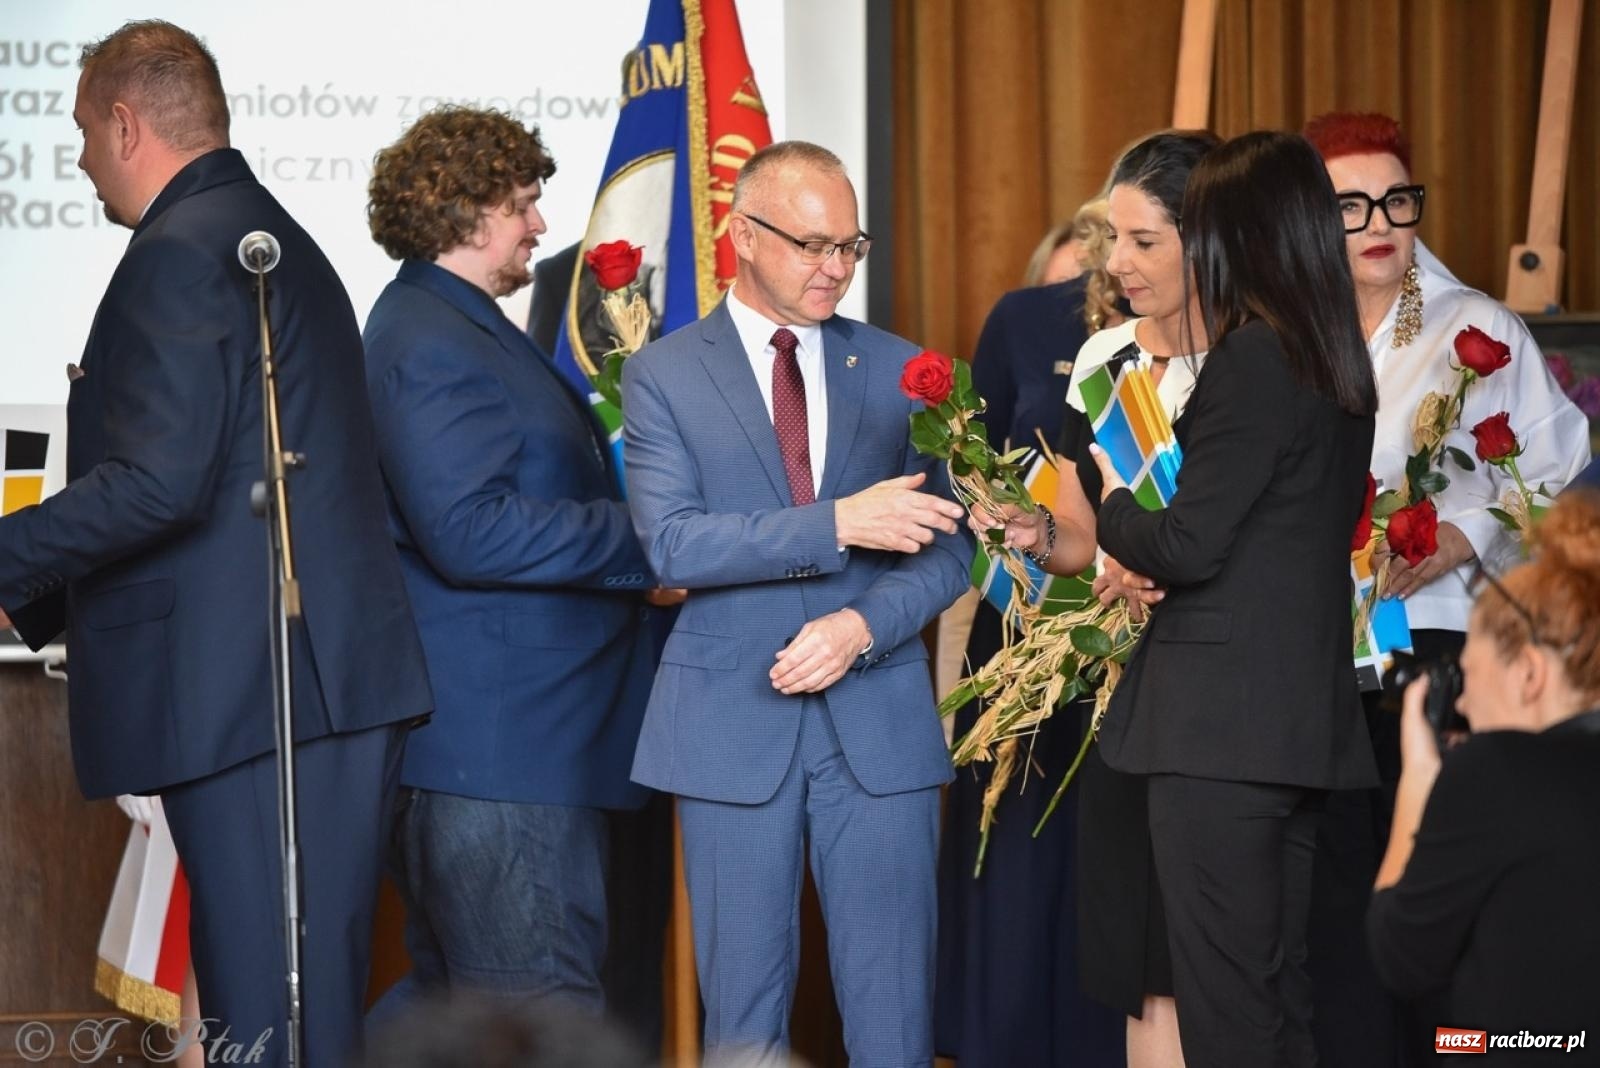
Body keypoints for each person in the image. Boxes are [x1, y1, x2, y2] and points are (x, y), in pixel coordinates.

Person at [0, 20, 432, 1067]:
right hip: (295, 688)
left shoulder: (184, 253)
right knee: (294, 1003)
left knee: (267, 1009)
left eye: (82, 134)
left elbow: (160, 479)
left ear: (125, 120)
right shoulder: (254, 234)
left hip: (257, 693)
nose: (82, 161)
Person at [620, 140, 972, 1065]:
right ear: (743, 233)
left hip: (881, 720)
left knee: (896, 1017)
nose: (834, 270)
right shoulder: (661, 374)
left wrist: (864, 626)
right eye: (812, 246)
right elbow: (674, 544)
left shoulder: (906, 372)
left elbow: (953, 548)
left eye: (850, 247)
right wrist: (839, 523)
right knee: (743, 1021)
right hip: (730, 726)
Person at [361, 107, 667, 1017]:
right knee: (538, 1023)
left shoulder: (454, 325)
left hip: (509, 758)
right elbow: (472, 531)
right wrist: (650, 539)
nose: (541, 224)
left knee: (468, 1019)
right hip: (501, 764)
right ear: (465, 210)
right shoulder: (429, 336)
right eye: (526, 203)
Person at [1301, 110, 1592, 1068]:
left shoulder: (1481, 328)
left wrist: (1459, 535)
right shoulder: (1283, 328)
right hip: (1309, 656)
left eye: (1397, 197)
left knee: (1428, 893)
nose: (1381, 218)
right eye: (1351, 203)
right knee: (1334, 898)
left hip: (1430, 648)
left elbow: (1555, 480)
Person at [1082, 130, 1378, 1067]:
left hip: (1218, 738)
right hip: (1298, 731)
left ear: (1241, 234)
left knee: (1227, 1010)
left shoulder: (1255, 359)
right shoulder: (1336, 359)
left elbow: (1186, 544)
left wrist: (1113, 502)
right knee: (1274, 994)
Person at [975, 129, 1219, 1068]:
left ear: (1207, 238)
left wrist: (1156, 553)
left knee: (1227, 957)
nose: (1114, 265)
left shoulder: (1263, 356)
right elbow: (1077, 539)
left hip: (1230, 692)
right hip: (1128, 692)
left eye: (1140, 241)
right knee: (1140, 960)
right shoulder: (1103, 361)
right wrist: (1033, 534)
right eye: (1111, 240)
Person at [933, 192, 1129, 1068]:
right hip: (1022, 646)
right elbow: (972, 481)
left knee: (1112, 889)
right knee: (1010, 882)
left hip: (1144, 644)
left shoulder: (1225, 336)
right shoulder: (1022, 323)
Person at [1368, 490, 1600, 1063]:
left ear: (1529, 674)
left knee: (1452, 1043)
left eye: (1471, 677)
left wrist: (1420, 781)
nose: (1464, 706)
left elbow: (1399, 953)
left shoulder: (1495, 771)